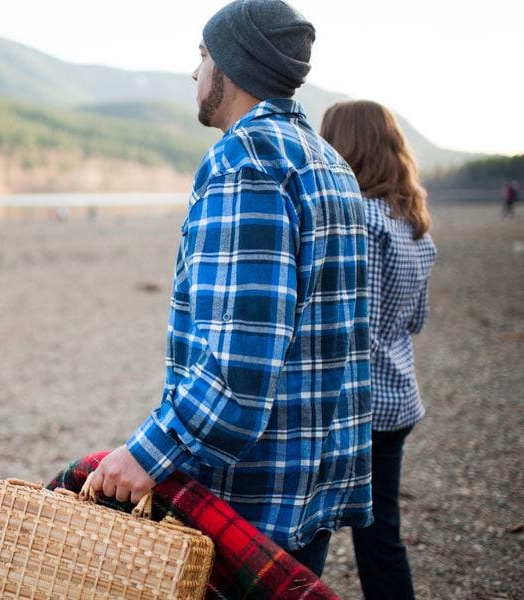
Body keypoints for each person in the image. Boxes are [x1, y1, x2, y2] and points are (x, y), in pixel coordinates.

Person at [88, 0, 373, 577]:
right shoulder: (329, 161)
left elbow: (238, 372)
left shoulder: (246, 161)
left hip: (249, 498)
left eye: (202, 57)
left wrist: (144, 454)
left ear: (233, 66)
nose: (195, 74)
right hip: (314, 481)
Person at [320, 100, 437, 599]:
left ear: (344, 148)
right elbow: (416, 319)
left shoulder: (361, 222)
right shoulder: (413, 226)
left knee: (308, 529)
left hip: (355, 405)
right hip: (399, 399)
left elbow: (348, 326)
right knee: (380, 534)